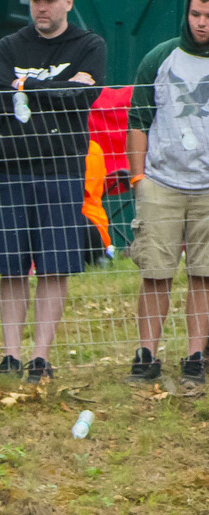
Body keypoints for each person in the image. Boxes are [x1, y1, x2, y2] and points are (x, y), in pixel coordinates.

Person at [0, 0, 101, 383]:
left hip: (62, 168)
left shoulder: (90, 44)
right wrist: (57, 89)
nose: (41, 8)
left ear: (68, 3)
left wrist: (27, 86)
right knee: (11, 267)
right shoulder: (8, 46)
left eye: (50, 0)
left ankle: (40, 359)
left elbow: (83, 97)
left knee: (54, 266)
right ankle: (11, 356)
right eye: (35, 1)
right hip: (10, 169)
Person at [130, 0, 209, 397]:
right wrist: (138, 177)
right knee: (155, 272)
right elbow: (138, 120)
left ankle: (196, 358)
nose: (201, 23)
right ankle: (146, 356)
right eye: (196, 15)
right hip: (161, 182)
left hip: (208, 188)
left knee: (204, 274)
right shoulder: (160, 58)